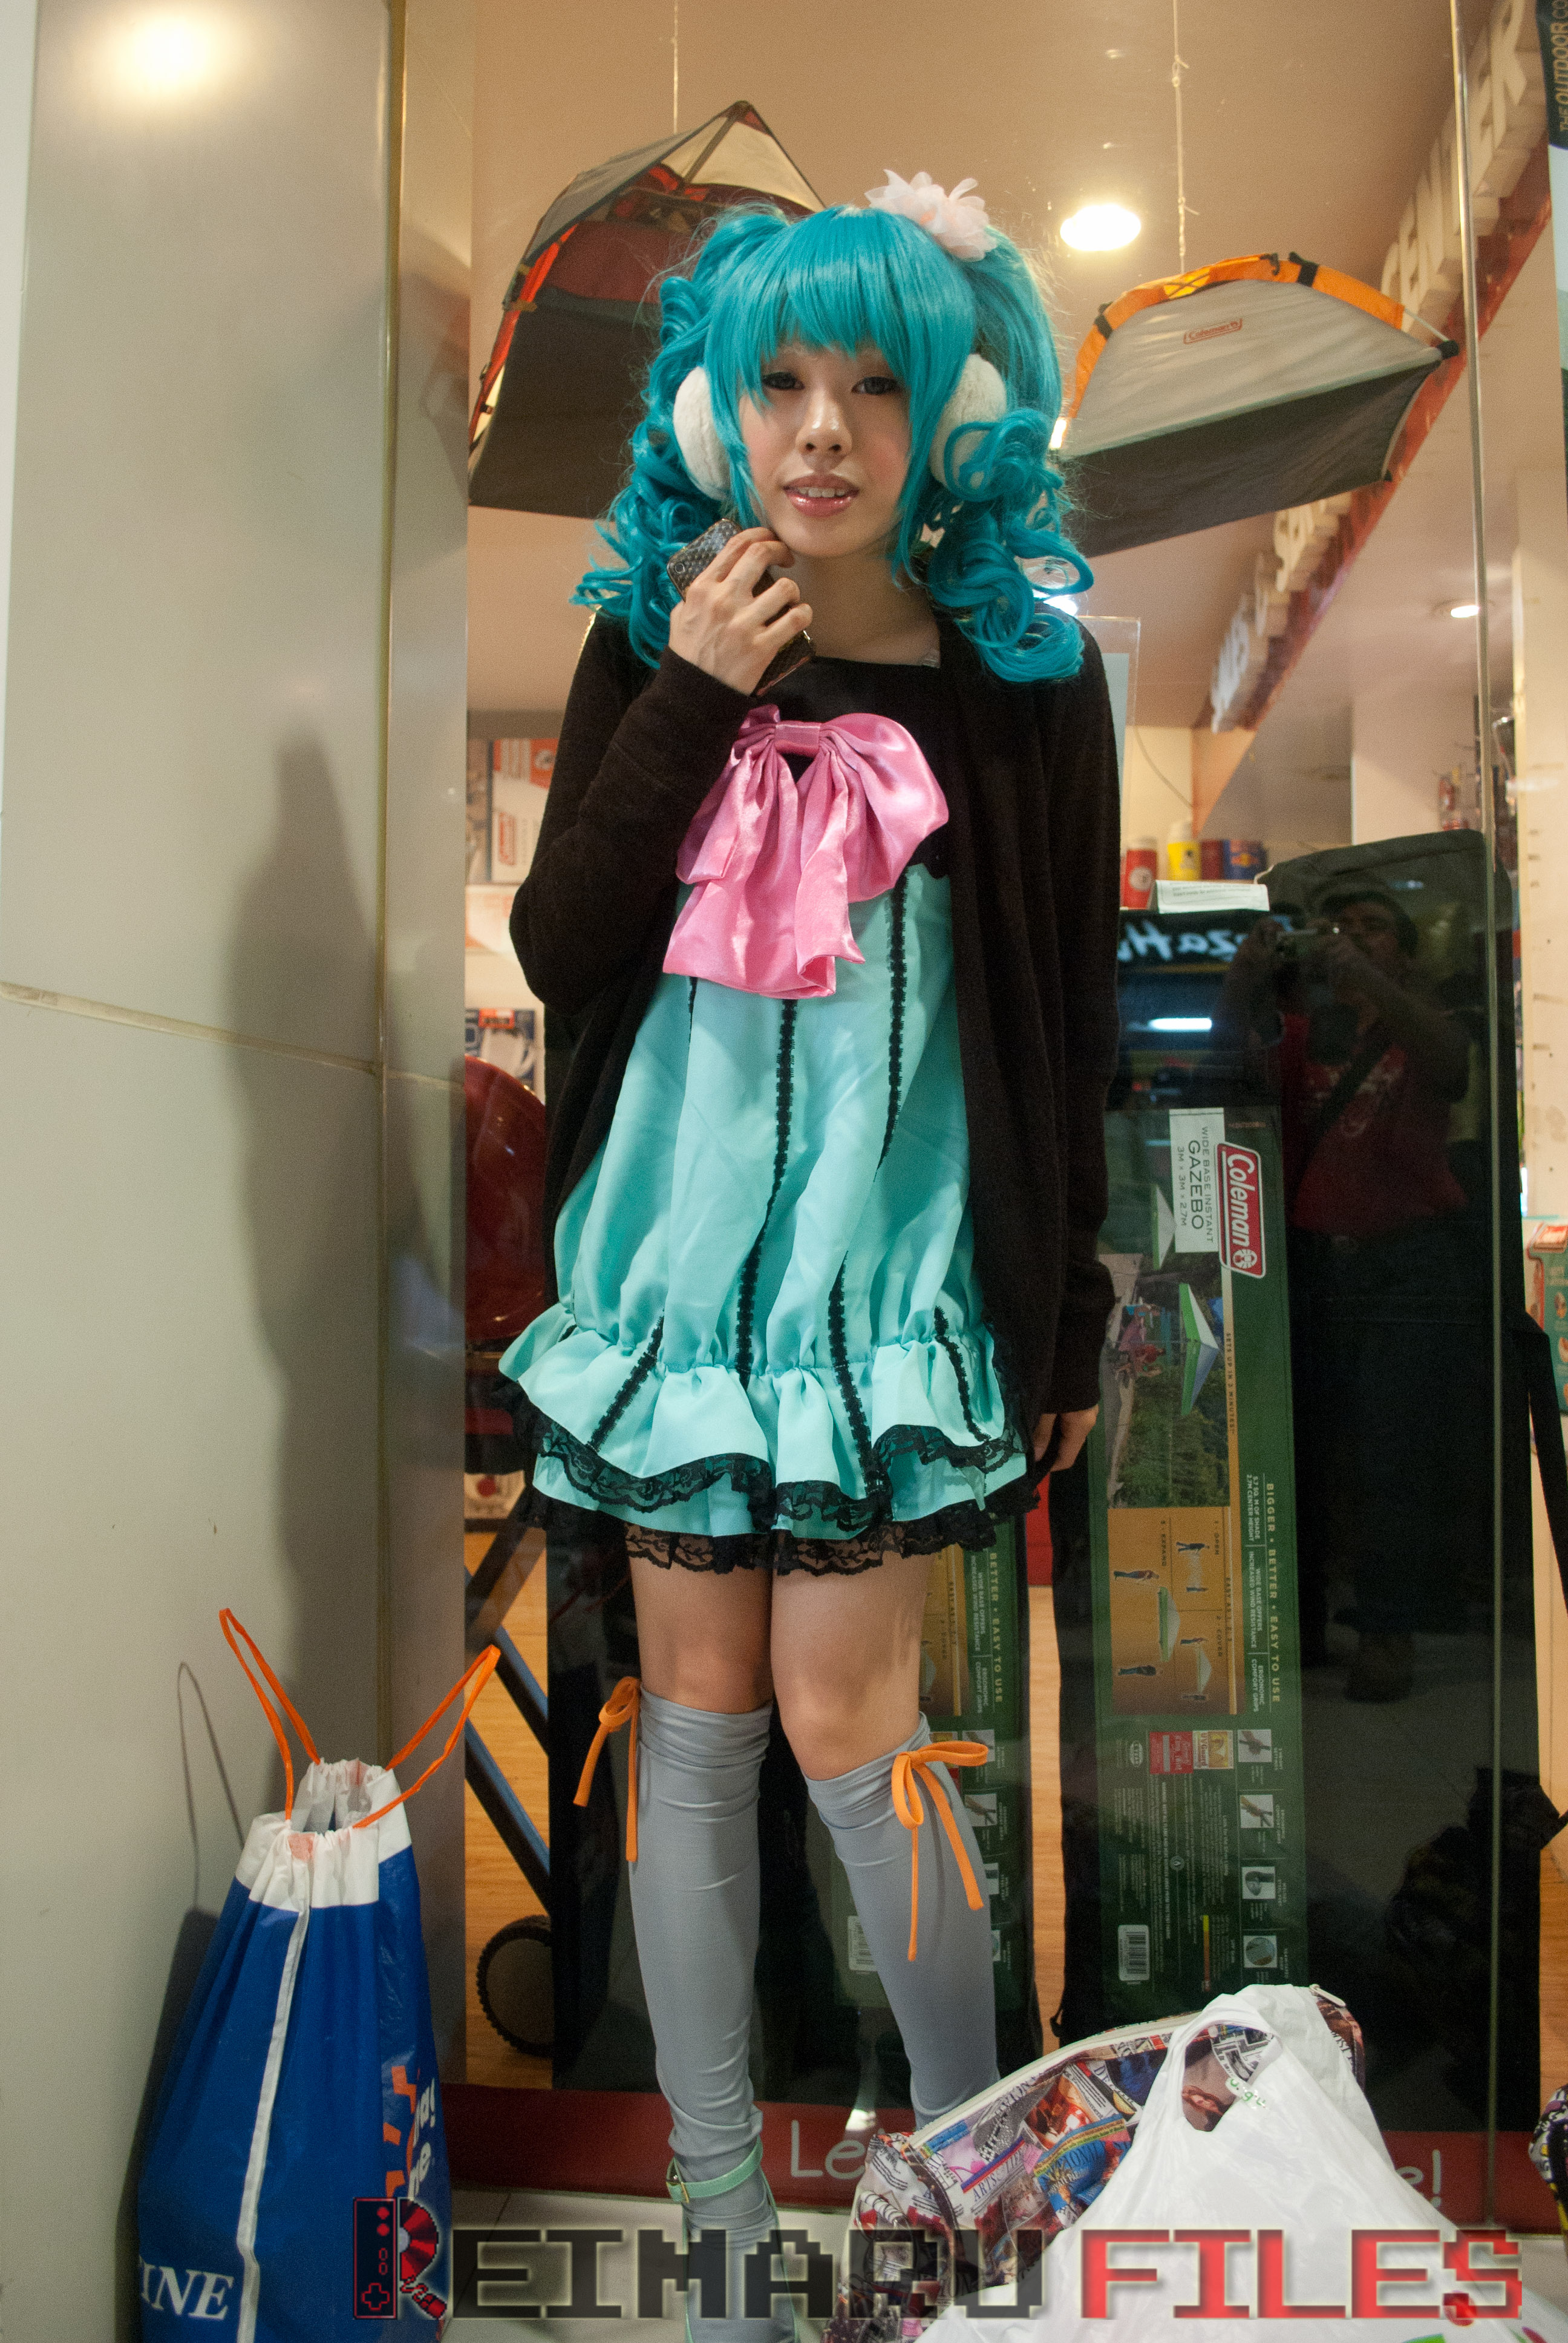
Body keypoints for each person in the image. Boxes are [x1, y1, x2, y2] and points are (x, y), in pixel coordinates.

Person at [502, 174, 1121, 2339]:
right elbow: (562, 948)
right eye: (777, 381)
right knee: (689, 1725)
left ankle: (975, 2194)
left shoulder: (1024, 681)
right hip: (680, 1295)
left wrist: (1062, 1318)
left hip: (891, 1297)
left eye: (874, 380)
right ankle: (720, 2236)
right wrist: (694, 686)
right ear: (716, 411)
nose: (824, 427)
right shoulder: (651, 639)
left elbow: (1066, 1021)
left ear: (952, 412)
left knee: (854, 1722)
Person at [1219, 886, 1475, 1703]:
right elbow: (1230, 1074)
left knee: (1393, 1451)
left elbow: (1453, 1065)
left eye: (1373, 929)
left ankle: (1387, 1630)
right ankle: (1302, 1621)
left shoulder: (1422, 1023)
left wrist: (1371, 982)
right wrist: (1244, 984)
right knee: (1305, 1447)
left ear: (1406, 950)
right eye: (1338, 929)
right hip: (1316, 1261)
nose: (1351, 940)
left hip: (1408, 1260)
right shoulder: (1309, 1030)